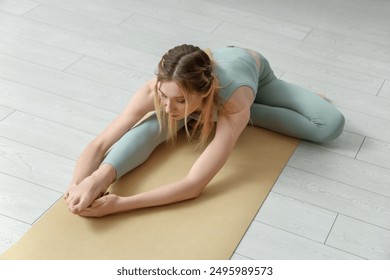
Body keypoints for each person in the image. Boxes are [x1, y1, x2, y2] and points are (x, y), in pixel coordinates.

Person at [64, 44, 345, 217]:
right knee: (154, 124)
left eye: (181, 101)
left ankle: (218, 115)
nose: (168, 106)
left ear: (205, 93)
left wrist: (121, 204)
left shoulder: (234, 100)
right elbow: (102, 142)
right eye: (164, 96)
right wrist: (80, 184)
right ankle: (203, 115)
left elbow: (194, 185)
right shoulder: (157, 90)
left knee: (329, 125)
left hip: (252, 72)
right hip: (201, 80)